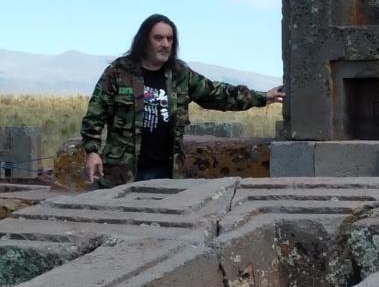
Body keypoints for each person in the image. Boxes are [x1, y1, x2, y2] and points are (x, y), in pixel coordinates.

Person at [80, 13, 284, 187]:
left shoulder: (180, 75)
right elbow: (95, 115)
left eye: (170, 39)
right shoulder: (118, 72)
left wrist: (263, 97)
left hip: (167, 172)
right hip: (122, 172)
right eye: (158, 38)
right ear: (144, 41)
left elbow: (217, 94)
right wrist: (92, 152)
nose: (165, 44)